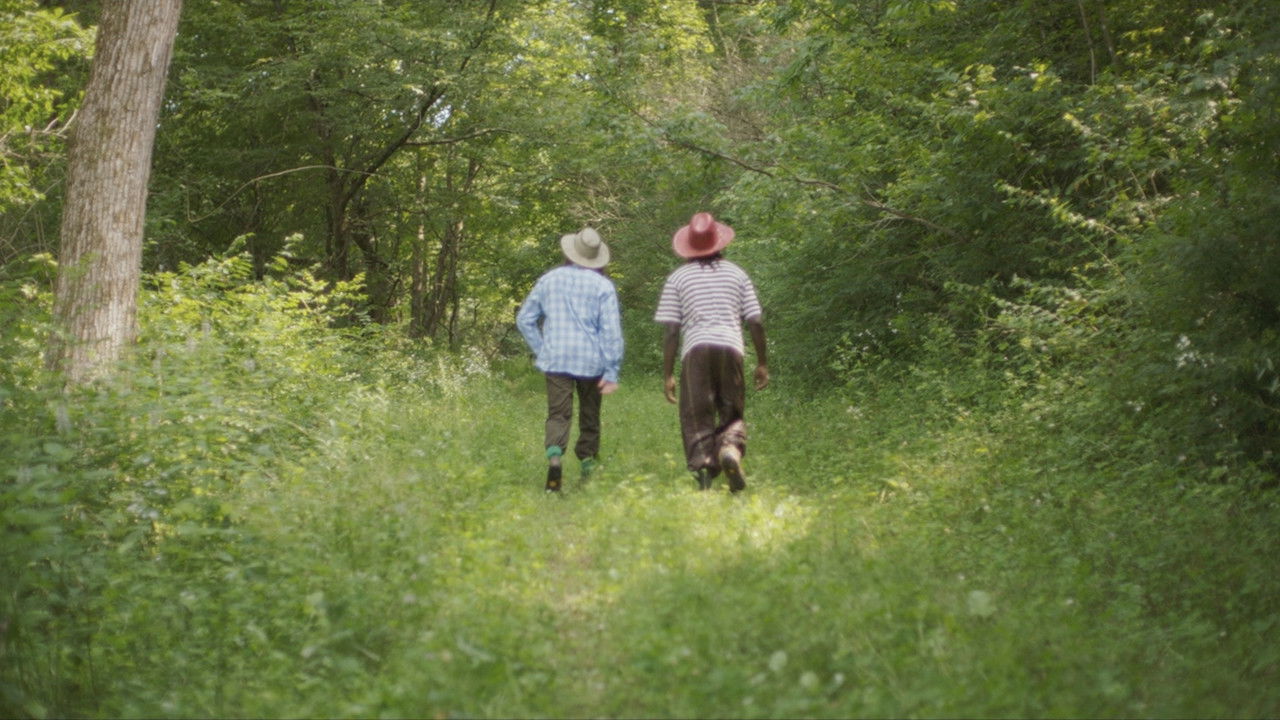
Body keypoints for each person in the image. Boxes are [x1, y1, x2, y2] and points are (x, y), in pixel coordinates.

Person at [654, 212, 768, 492]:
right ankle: (729, 449)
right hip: (731, 348)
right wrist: (762, 362)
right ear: (720, 244)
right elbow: (755, 320)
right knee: (732, 411)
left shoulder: (678, 278)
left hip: (695, 350)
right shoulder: (737, 274)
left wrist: (668, 374)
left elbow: (671, 330)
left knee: (695, 414)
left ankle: (704, 475)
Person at [517, 227, 624, 492]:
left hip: (556, 360)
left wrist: (543, 349)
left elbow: (524, 319)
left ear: (571, 252)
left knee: (558, 414)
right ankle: (588, 468)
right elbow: (611, 332)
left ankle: (555, 459)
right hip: (592, 362)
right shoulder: (603, 286)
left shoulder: (550, 279)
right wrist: (611, 370)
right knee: (590, 416)